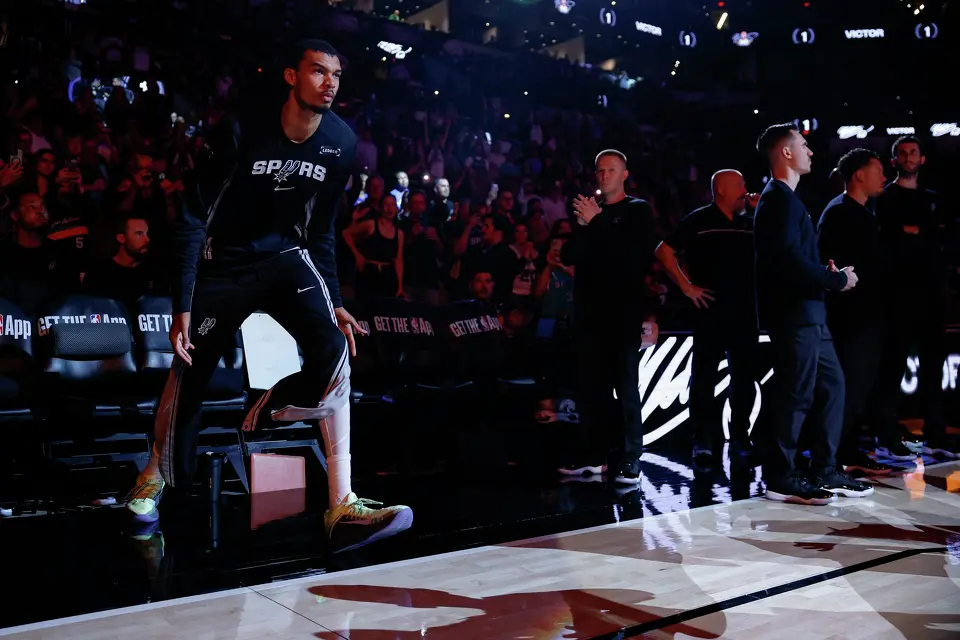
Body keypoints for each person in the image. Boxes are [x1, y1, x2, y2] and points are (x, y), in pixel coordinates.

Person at [124, 39, 413, 553]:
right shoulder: (240, 132)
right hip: (224, 263)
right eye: (318, 71)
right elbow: (192, 217)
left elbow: (322, 228)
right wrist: (183, 303)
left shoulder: (341, 142)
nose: (329, 83)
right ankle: (152, 477)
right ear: (290, 76)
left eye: (337, 75)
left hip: (285, 257)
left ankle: (340, 501)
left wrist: (336, 297)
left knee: (337, 346)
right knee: (189, 373)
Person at [753, 123, 873, 505]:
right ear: (786, 153)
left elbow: (795, 258)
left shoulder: (786, 200)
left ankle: (826, 468)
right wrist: (833, 279)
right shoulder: (778, 200)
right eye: (803, 145)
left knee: (832, 387)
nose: (811, 151)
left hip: (809, 313)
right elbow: (787, 261)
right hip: (794, 315)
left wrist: (827, 275)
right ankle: (780, 475)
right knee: (796, 394)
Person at [558, 149, 659, 485]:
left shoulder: (637, 210)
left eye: (611, 170)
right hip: (589, 313)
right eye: (599, 170)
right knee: (591, 389)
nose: (603, 176)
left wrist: (596, 221)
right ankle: (593, 455)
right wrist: (584, 225)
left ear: (624, 174)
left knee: (626, 387)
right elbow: (569, 254)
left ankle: (631, 457)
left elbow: (632, 255)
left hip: (622, 314)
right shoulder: (592, 215)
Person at [655, 169, 760, 467]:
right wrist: (686, 286)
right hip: (709, 310)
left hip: (744, 310)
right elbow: (664, 250)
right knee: (703, 377)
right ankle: (703, 439)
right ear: (723, 190)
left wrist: (760, 210)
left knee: (744, 378)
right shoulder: (699, 219)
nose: (745, 190)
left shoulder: (750, 221)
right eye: (740, 185)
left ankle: (741, 437)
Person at [873, 136, 958, 458]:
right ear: (893, 160)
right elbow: (891, 240)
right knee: (893, 365)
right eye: (902, 153)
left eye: (913, 152)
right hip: (898, 295)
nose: (908, 157)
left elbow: (941, 238)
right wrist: (916, 235)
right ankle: (887, 432)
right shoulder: (885, 197)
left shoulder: (934, 199)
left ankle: (936, 433)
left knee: (933, 366)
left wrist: (916, 233)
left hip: (932, 295)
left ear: (923, 159)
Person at [816, 149, 899, 475]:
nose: (884, 176)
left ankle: (846, 452)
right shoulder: (839, 213)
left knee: (859, 388)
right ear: (859, 174)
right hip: (852, 320)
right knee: (848, 388)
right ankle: (830, 459)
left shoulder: (864, 213)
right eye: (878, 170)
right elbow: (831, 267)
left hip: (868, 317)